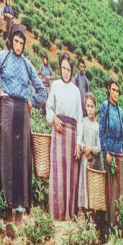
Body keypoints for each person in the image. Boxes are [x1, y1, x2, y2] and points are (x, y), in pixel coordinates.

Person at [0, 23, 46, 227]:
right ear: (11, 41)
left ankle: (19, 211)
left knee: (21, 159)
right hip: (6, 108)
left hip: (22, 113)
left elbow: (42, 92)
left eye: (21, 42)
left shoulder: (27, 64)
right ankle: (4, 207)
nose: (18, 45)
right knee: (5, 156)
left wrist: (31, 101)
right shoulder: (3, 56)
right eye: (15, 41)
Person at [46, 53, 84, 221]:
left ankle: (69, 215)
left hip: (72, 135)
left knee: (70, 176)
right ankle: (56, 214)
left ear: (72, 70)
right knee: (57, 172)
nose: (66, 72)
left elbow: (80, 118)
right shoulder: (55, 85)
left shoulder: (76, 91)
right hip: (58, 132)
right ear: (60, 68)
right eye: (63, 68)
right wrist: (53, 118)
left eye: (69, 69)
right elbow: (49, 108)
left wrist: (78, 143)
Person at [99, 75, 123, 229]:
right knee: (111, 191)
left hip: (121, 156)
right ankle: (110, 223)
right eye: (113, 90)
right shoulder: (105, 106)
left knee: (122, 191)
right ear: (108, 90)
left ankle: (122, 222)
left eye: (118, 91)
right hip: (110, 155)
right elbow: (102, 132)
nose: (116, 93)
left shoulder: (121, 111)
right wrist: (105, 152)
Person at [78, 92, 102, 213]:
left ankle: (91, 210)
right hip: (84, 158)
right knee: (83, 180)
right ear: (85, 107)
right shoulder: (83, 122)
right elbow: (80, 139)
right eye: (88, 106)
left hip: (93, 159)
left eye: (92, 106)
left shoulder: (97, 126)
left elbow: (99, 146)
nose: (90, 109)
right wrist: (84, 148)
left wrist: (91, 150)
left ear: (95, 108)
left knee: (91, 183)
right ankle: (82, 209)